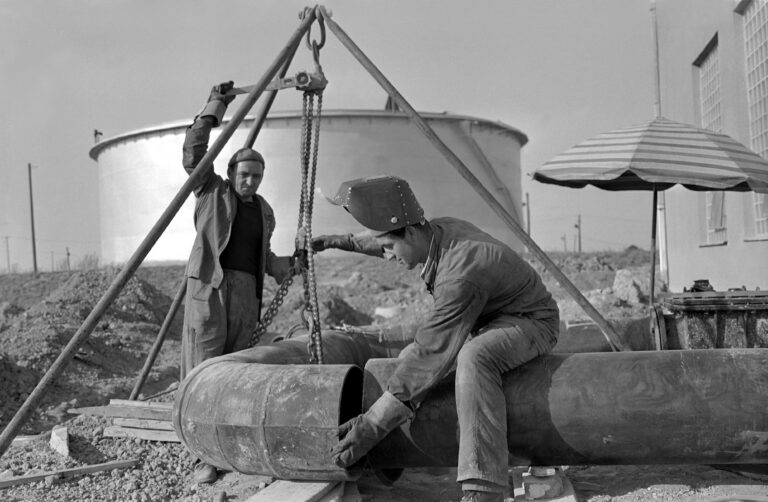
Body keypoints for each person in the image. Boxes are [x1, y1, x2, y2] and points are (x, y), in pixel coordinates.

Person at [313, 175, 559, 502]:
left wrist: (372, 425)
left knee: (474, 358)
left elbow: (429, 355)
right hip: (488, 319)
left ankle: (484, 487)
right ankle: (395, 453)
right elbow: (381, 239)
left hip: (530, 321)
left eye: (390, 248)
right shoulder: (435, 230)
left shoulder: (460, 273)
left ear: (411, 232)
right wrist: (337, 241)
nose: (388, 257)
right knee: (408, 361)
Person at [180, 81, 294, 484]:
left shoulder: (265, 211)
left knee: (235, 372)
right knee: (204, 370)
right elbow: (194, 152)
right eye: (245, 174)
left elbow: (266, 259)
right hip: (210, 290)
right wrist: (215, 106)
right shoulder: (211, 191)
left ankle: (229, 447)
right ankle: (203, 456)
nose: (251, 181)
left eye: (257, 176)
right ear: (231, 173)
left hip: (246, 294)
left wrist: (291, 264)